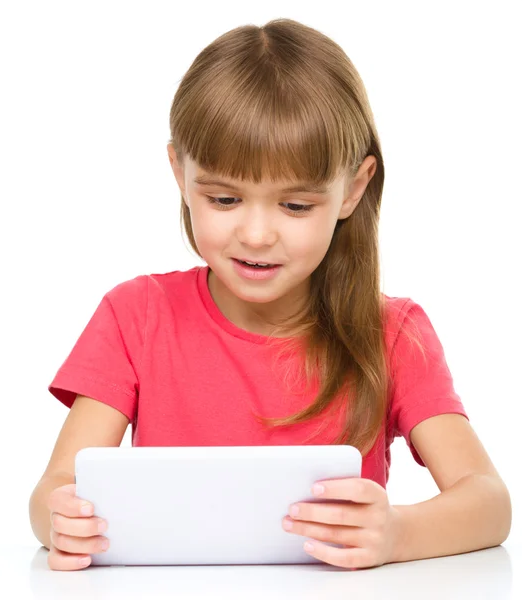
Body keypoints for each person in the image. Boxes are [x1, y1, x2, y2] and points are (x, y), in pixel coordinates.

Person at [29, 18, 511, 572]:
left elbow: (489, 503)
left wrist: (399, 533)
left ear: (353, 189)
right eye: (225, 199)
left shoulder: (394, 333)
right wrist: (60, 521)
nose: (257, 235)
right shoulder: (135, 316)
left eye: (296, 206)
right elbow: (55, 489)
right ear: (180, 175)